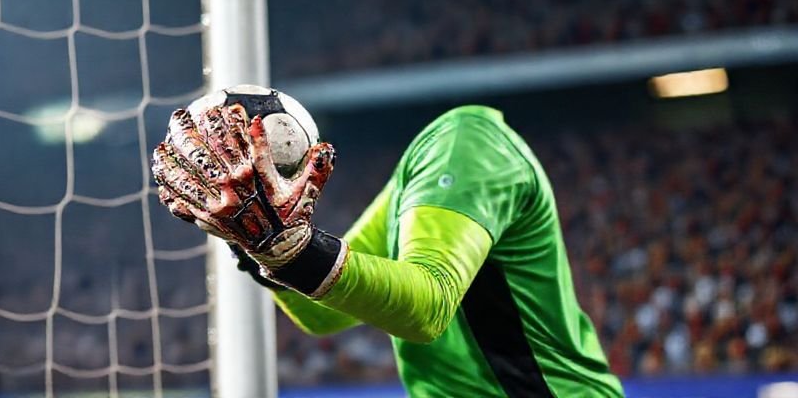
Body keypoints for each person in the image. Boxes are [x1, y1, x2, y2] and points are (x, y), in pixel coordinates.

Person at [152, 102, 623, 397]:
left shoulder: (468, 146)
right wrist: (250, 236)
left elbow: (426, 307)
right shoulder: (417, 174)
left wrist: (285, 248)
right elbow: (323, 314)